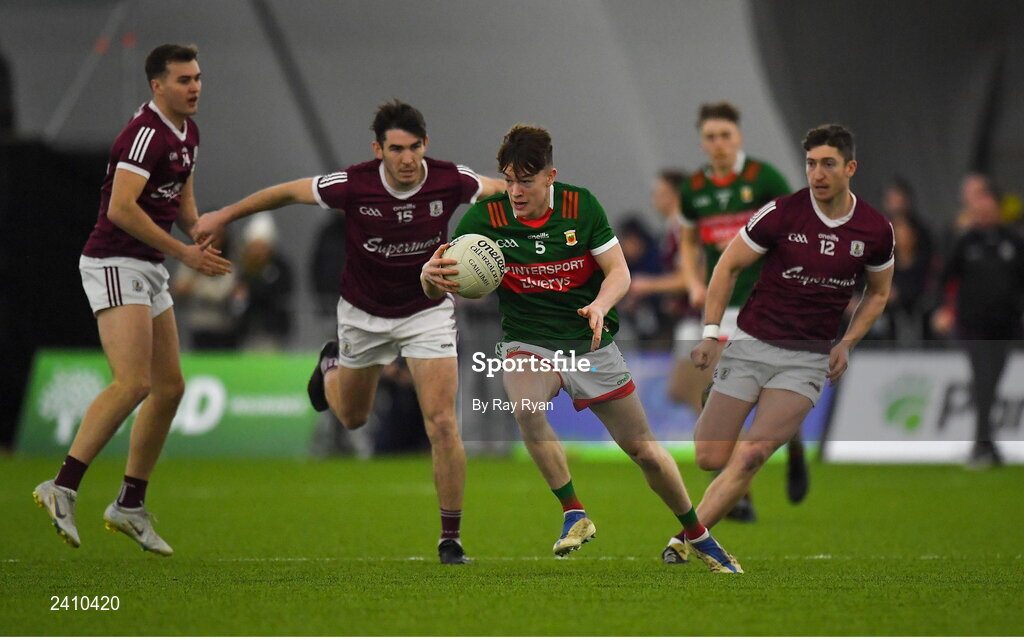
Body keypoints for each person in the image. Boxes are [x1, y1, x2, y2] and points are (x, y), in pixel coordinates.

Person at [195, 100, 505, 564]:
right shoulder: (354, 184)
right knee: (353, 418)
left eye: (414, 147)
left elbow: (502, 190)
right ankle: (330, 364)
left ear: (426, 145)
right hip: (362, 314)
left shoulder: (449, 178)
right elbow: (284, 193)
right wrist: (225, 217)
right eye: (395, 149)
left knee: (442, 422)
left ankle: (450, 539)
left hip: (428, 310)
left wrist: (552, 203)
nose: (406, 159)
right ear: (377, 149)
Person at [422, 125, 742, 573]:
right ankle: (574, 512)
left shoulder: (581, 206)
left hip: (589, 343)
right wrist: (428, 277)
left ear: (550, 176)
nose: (514, 190)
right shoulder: (482, 221)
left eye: (526, 181)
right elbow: (438, 286)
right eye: (509, 179)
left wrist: (599, 304)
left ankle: (698, 534)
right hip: (528, 340)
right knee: (527, 407)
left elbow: (620, 273)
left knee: (645, 452)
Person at [32, 44, 232, 555]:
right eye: (184, 79)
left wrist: (200, 233)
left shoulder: (189, 132)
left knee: (169, 387)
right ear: (157, 86)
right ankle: (62, 486)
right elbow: (122, 209)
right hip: (115, 262)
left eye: (198, 77)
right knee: (134, 382)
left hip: (148, 266)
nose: (195, 87)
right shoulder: (144, 134)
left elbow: (180, 198)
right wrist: (183, 253)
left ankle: (128, 505)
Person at [685, 124, 894, 547]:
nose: (817, 173)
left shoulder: (875, 229)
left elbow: (879, 293)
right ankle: (782, 435)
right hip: (752, 341)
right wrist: (710, 333)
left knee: (751, 456)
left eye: (828, 164)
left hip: (808, 358)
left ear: (850, 167)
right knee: (709, 457)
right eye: (811, 164)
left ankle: (683, 542)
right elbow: (727, 265)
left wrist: (847, 342)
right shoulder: (781, 212)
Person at [678, 101, 802, 521]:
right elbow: (690, 242)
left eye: (725, 136)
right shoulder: (694, 189)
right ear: (702, 141)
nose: (718, 144)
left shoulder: (764, 179)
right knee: (722, 399)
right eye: (711, 137)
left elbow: (794, 233)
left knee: (746, 397)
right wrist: (695, 282)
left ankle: (751, 480)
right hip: (720, 307)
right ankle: (743, 490)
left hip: (764, 308)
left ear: (739, 138)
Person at [933, 174, 1024, 468]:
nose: (984, 214)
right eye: (979, 210)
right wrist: (944, 309)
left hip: (1005, 326)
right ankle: (982, 445)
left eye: (989, 209)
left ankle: (986, 445)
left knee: (991, 383)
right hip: (972, 325)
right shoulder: (965, 241)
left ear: (997, 209)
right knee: (983, 380)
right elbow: (945, 278)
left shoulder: (1013, 242)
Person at [629, 169, 704, 406]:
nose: (654, 197)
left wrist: (648, 285)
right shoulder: (672, 230)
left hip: (703, 320)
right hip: (690, 319)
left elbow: (692, 278)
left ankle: (723, 440)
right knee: (684, 389)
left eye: (659, 191)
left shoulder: (684, 228)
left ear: (674, 195)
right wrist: (674, 298)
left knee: (685, 387)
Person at [235, 212, 294, 351]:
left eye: (261, 247)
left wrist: (252, 292)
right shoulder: (243, 269)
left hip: (272, 331)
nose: (257, 252)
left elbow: (278, 293)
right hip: (246, 332)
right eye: (254, 247)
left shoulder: (280, 267)